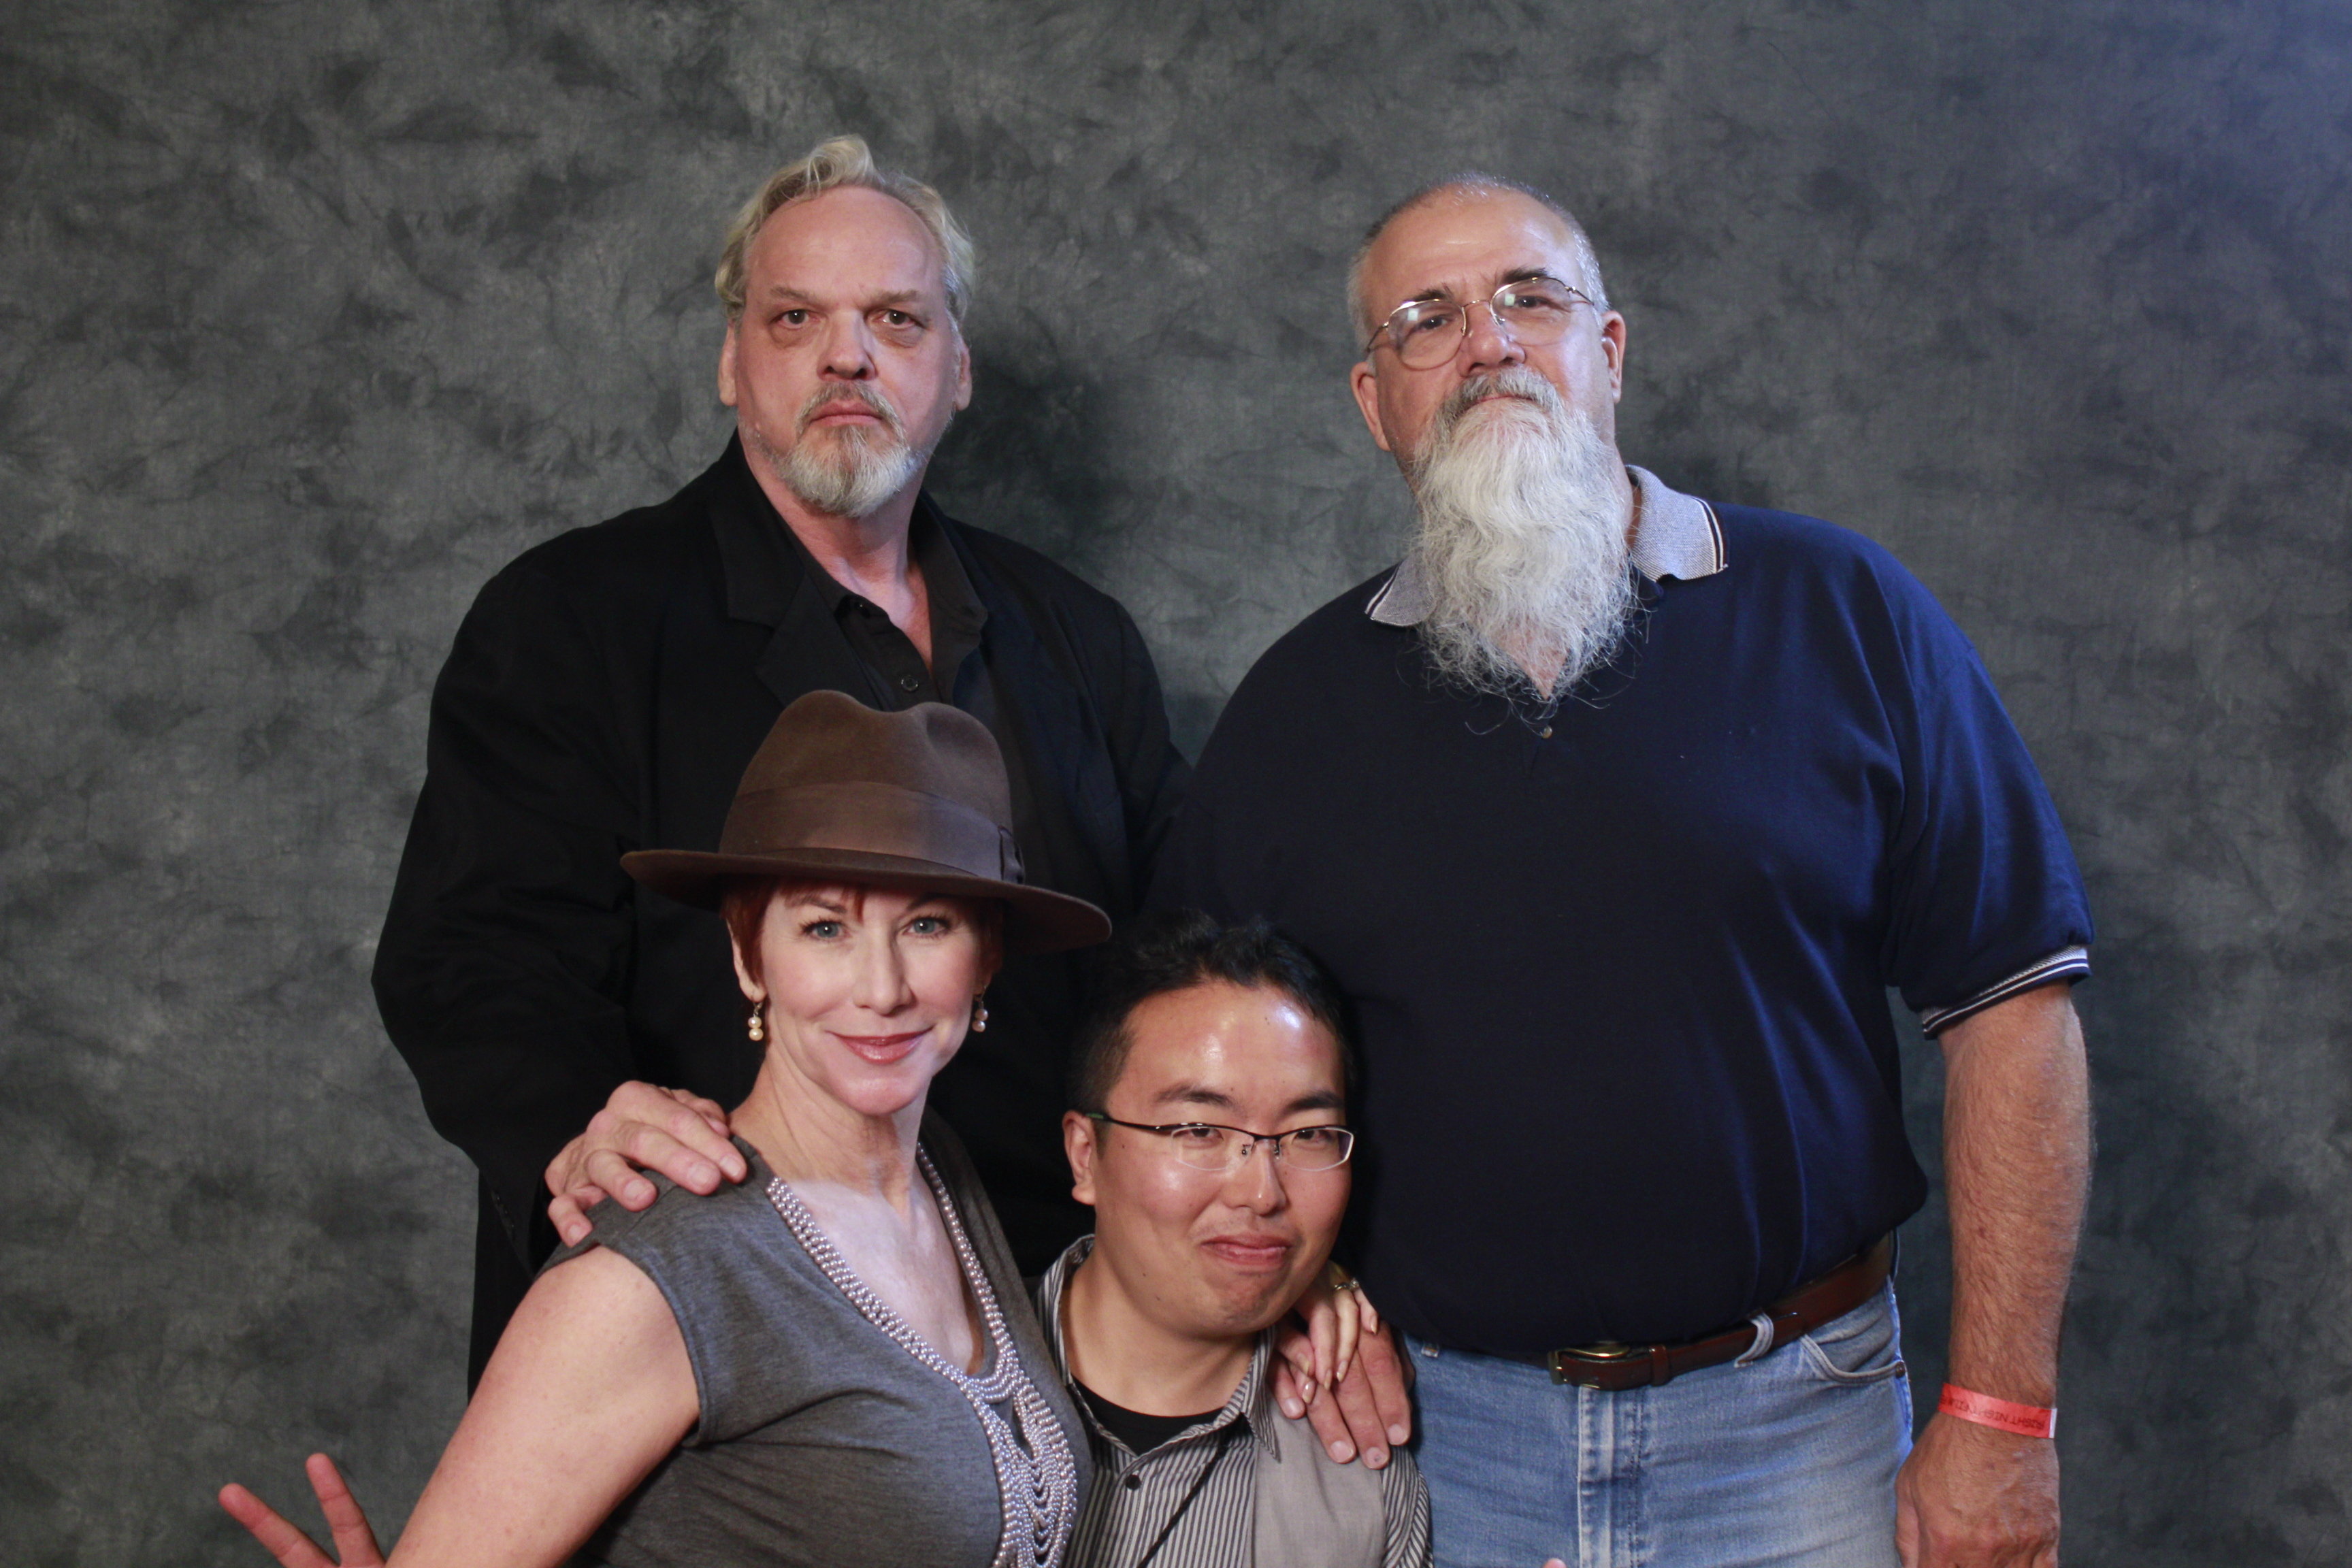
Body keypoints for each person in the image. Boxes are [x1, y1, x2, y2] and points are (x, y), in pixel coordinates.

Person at [1151, 174, 2094, 1568]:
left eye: (1531, 297)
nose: (1489, 342)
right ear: (1375, 402)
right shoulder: (1296, 706)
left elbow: (2014, 1011)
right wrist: (1296, 1288)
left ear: (1608, 349)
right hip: (1435, 1447)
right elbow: (1185, 1069)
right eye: (1428, 319)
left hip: (1804, 1435)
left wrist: (2003, 1413)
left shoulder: (1843, 613)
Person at [372, 135, 1188, 1381]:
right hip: (714, 1311)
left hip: (1044, 1326)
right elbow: (473, 955)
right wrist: (586, 1130)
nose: (846, 354)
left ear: (957, 367)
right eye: (795, 314)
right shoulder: (571, 617)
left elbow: (1164, 967)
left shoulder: (1079, 637)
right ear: (732, 359)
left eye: (896, 319)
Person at [226, 691, 1102, 1567]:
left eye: (926, 924)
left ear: (985, 958)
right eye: (824, 926)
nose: (881, 988)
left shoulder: (939, 1179)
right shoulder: (656, 1265)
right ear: (747, 956)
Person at [1044, 911, 1431, 1567]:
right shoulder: (947, 1383)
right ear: (1086, 1155)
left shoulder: (1361, 1475)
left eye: (1308, 1135)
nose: (1261, 1193)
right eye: (1199, 1131)